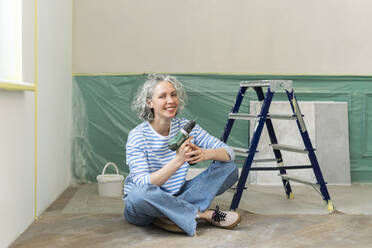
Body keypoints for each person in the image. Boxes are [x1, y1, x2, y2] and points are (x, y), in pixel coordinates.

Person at [123, 74, 240, 236]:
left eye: (173, 94)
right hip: (145, 204)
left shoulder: (186, 127)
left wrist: (206, 153)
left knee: (230, 168)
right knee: (137, 194)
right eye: (162, 96)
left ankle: (170, 215)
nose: (170, 101)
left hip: (178, 194)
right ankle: (202, 214)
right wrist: (178, 161)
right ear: (150, 103)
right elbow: (143, 183)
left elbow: (229, 153)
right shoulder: (137, 136)